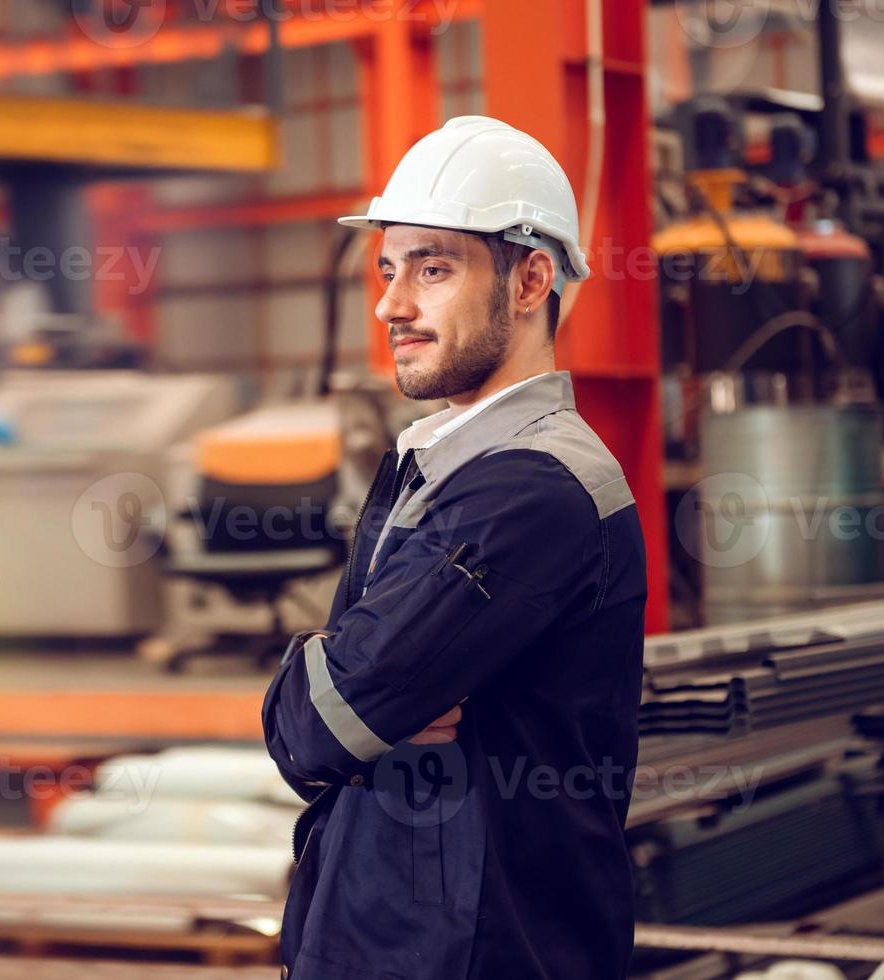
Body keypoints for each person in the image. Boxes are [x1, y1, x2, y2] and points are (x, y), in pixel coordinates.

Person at [263, 115, 648, 979]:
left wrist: (333, 682)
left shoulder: (531, 488)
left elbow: (322, 725)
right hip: (398, 927)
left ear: (530, 281)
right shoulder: (444, 459)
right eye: (389, 268)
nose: (390, 304)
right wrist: (354, 677)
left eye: (433, 268)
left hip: (474, 947)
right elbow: (354, 700)